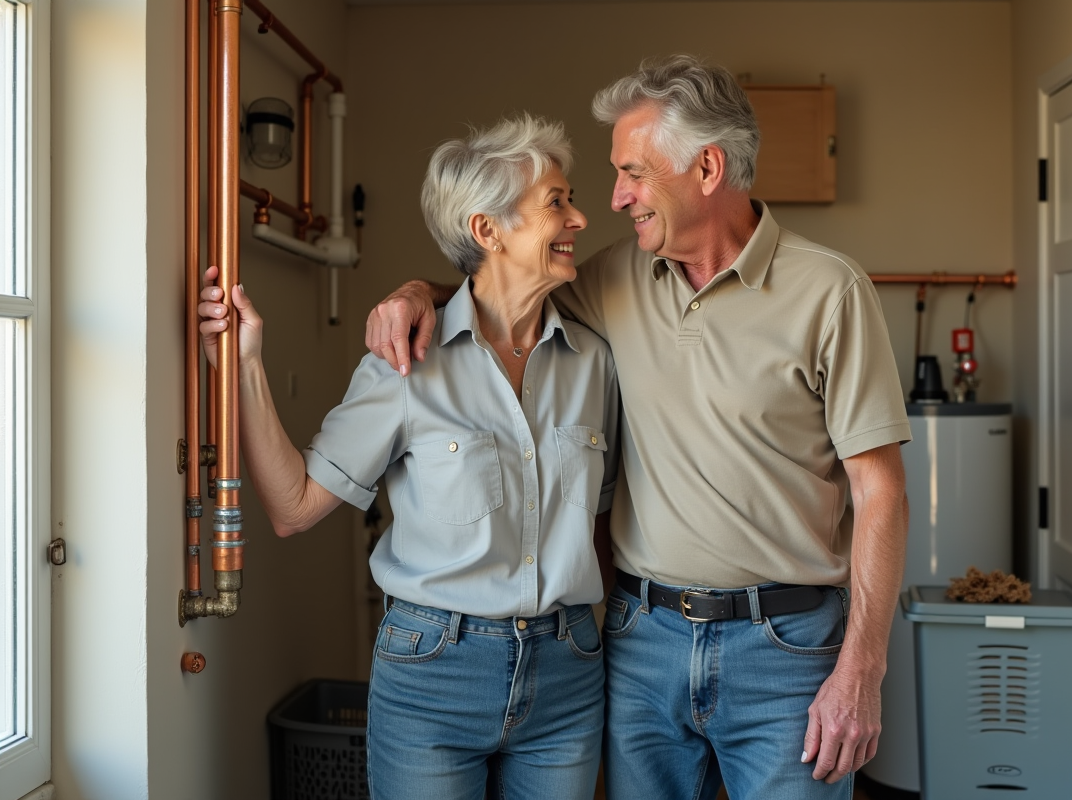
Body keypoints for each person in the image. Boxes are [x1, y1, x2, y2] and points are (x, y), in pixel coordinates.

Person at [364, 56, 910, 800]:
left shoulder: (829, 292)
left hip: (787, 651)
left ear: (708, 167)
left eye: (634, 173)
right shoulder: (614, 278)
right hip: (641, 643)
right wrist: (414, 293)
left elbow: (880, 491)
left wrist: (863, 671)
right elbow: (498, 292)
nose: (616, 198)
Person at [199, 114, 619, 800]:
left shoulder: (594, 364)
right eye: (557, 202)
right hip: (433, 673)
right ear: (488, 230)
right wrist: (246, 368)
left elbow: (602, 525)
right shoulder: (404, 363)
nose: (579, 216)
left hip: (567, 672)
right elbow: (293, 507)